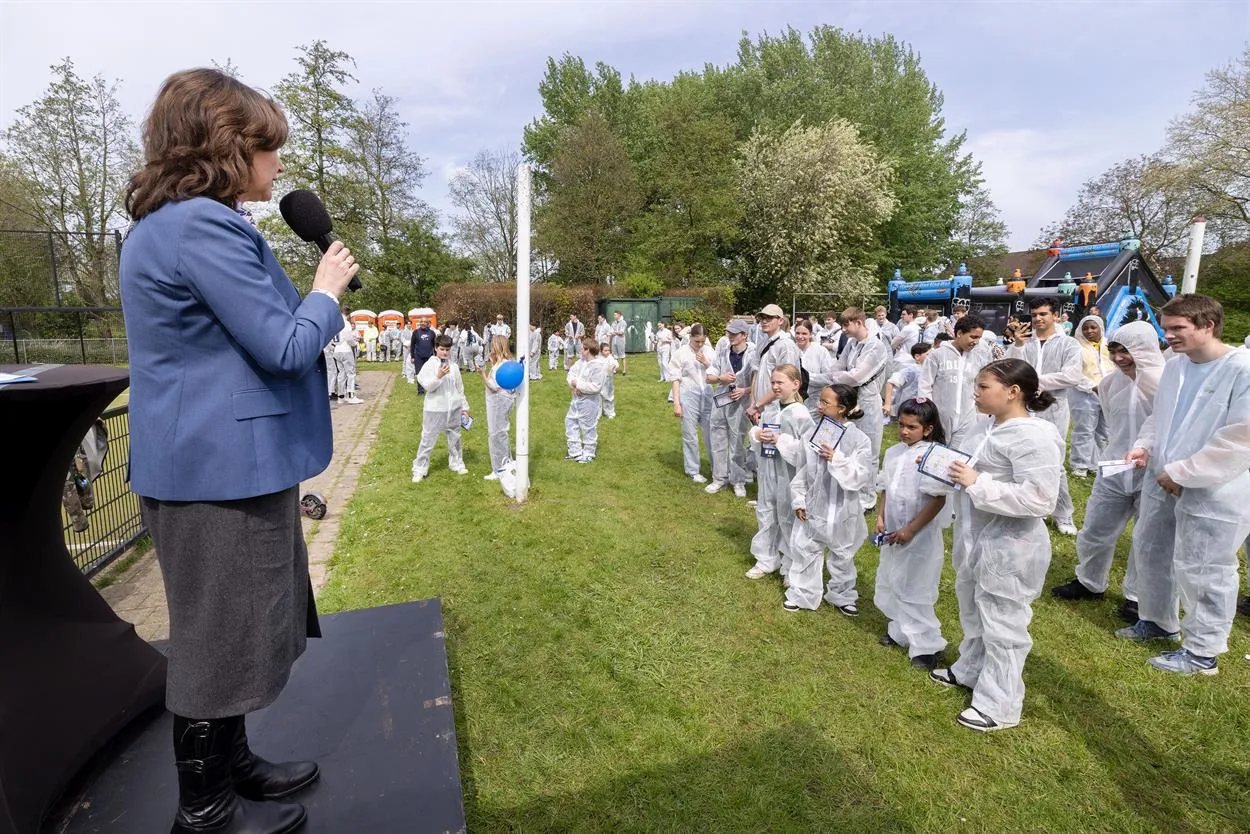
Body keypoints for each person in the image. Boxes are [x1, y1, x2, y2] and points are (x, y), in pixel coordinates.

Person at [120, 68, 358, 833]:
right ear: (227, 147)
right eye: (268, 148)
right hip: (214, 475)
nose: (279, 165)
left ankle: (234, 765)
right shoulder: (199, 227)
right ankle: (205, 811)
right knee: (217, 645)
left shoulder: (179, 224)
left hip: (221, 468)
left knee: (239, 631)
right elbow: (286, 346)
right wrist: (325, 291)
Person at [1116, 295, 1250, 677]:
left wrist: (1186, 471)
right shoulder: (1176, 366)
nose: (1168, 335)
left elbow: (1240, 437)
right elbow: (1161, 418)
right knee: (1152, 547)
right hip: (1164, 474)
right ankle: (1157, 619)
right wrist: (1144, 447)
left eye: (1178, 328)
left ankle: (1202, 651)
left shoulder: (1241, 369)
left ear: (1208, 325)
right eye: (1166, 327)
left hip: (1216, 486)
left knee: (1206, 565)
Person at [930, 359, 1063, 732]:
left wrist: (976, 483)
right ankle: (970, 669)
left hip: (1011, 545)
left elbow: (1040, 499)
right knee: (973, 606)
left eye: (984, 386)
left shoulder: (1033, 437)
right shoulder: (986, 427)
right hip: (976, 536)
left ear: (1013, 392)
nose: (976, 392)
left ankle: (1000, 703)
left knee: (1004, 621)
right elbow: (966, 466)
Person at [1051, 321, 1163, 617]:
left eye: (1125, 351)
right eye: (1114, 351)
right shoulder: (1112, 383)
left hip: (1153, 470)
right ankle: (1089, 581)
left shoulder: (1166, 382)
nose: (1119, 357)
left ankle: (1137, 596)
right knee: (1095, 528)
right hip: (1115, 464)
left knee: (1147, 537)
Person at [875, 397, 950, 669]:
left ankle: (927, 645)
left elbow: (937, 500)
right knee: (894, 579)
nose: (904, 431)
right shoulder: (894, 452)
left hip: (920, 532)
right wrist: (881, 515)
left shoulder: (934, 455)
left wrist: (911, 529)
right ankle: (901, 631)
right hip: (895, 529)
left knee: (917, 587)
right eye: (902, 425)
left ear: (927, 429)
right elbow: (885, 486)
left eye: (912, 427)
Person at [788, 384, 874, 613]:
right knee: (806, 548)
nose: (819, 406)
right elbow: (802, 471)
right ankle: (802, 593)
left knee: (843, 554)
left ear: (842, 408)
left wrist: (837, 459)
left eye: (826, 402)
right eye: (820, 401)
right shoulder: (813, 433)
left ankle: (842, 595)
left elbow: (860, 476)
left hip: (843, 508)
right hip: (815, 504)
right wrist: (799, 498)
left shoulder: (859, 439)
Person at [1005, 297, 1082, 535]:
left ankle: (1063, 514)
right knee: (1019, 458)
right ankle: (1028, 506)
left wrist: (1033, 382)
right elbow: (1009, 368)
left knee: (1054, 462)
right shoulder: (1024, 343)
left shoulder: (1068, 344)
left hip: (1054, 408)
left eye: (1044, 314)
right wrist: (1017, 345)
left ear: (1055, 316)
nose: (1038, 319)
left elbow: (1072, 375)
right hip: (1023, 408)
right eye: (1035, 314)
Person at [745, 364, 813, 580]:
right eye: (772, 382)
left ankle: (790, 564)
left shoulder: (801, 414)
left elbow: (807, 449)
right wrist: (758, 434)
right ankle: (766, 558)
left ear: (795, 385)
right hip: (768, 469)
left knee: (788, 518)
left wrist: (781, 441)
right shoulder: (772, 408)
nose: (775, 386)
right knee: (766, 512)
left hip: (788, 474)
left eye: (779, 382)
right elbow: (759, 430)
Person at [829, 307, 891, 478]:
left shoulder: (876, 346)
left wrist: (838, 376)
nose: (843, 329)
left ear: (859, 323)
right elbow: (837, 367)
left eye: (846, 325)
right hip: (849, 400)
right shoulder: (852, 344)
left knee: (868, 450)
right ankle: (850, 486)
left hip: (868, 403)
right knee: (849, 445)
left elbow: (856, 377)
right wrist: (839, 375)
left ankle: (867, 496)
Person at [918, 313, 991, 450]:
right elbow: (925, 385)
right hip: (939, 418)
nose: (976, 341)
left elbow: (982, 386)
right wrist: (927, 414)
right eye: (973, 337)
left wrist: (981, 416)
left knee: (959, 460)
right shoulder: (937, 355)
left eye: (979, 338)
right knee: (933, 457)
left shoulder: (978, 358)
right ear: (959, 333)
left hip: (967, 419)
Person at [411, 335, 471, 482]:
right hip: (435, 408)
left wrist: (464, 406)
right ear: (436, 349)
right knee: (428, 438)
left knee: (455, 437)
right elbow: (427, 387)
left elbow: (459, 388)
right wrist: (438, 377)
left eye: (447, 350)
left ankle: (456, 462)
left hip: (453, 408)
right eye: (442, 349)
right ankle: (420, 468)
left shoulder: (454, 367)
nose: (444, 352)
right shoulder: (429, 366)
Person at [705, 320, 753, 497]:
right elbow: (708, 376)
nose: (730, 336)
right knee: (717, 437)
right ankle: (719, 478)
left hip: (741, 402)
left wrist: (745, 390)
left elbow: (758, 380)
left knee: (738, 442)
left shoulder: (753, 353)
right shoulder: (723, 352)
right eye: (729, 333)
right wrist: (720, 378)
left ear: (744, 335)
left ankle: (738, 480)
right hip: (721, 401)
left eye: (734, 333)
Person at [670, 324, 716, 483]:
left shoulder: (710, 351)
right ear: (690, 338)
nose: (700, 344)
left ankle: (717, 468)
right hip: (688, 394)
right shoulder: (681, 353)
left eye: (702, 341)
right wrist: (677, 403)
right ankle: (692, 470)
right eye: (697, 341)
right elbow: (675, 378)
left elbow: (717, 373)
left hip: (707, 395)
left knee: (712, 434)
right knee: (690, 434)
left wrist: (706, 362)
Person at [744, 304, 802, 427]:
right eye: (762, 318)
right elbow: (756, 373)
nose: (764, 321)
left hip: (778, 408)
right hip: (759, 408)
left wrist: (757, 405)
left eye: (769, 318)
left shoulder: (786, 345)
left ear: (780, 320)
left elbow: (785, 382)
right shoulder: (762, 343)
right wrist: (754, 403)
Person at [1069, 315, 1111, 477]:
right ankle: (1080, 465)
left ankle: (1096, 463)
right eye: (1085, 328)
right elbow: (1073, 372)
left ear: (1101, 328)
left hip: (1108, 393)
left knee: (1103, 432)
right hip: (1084, 394)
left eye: (1093, 327)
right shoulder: (1075, 347)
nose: (1089, 331)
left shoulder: (1110, 345)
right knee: (1084, 430)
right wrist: (1092, 386)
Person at [480, 335, 517, 481]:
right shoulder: (505, 363)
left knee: (496, 434)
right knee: (501, 433)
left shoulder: (502, 366)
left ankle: (499, 469)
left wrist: (482, 375)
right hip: (502, 400)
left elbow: (494, 386)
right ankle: (506, 462)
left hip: (498, 401)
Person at [566, 336, 606, 462]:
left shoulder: (598, 366)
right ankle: (575, 451)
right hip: (576, 399)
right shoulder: (580, 362)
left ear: (588, 350)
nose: (580, 351)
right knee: (571, 422)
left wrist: (578, 384)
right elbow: (571, 374)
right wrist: (573, 385)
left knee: (588, 426)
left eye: (582, 349)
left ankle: (589, 452)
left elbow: (596, 387)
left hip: (589, 401)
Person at [794, 320, 834, 416]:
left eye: (804, 333)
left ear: (810, 334)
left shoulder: (820, 351)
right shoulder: (791, 350)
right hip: (794, 403)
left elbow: (829, 378)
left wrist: (806, 377)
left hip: (815, 405)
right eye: (797, 333)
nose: (800, 337)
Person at [883, 342, 931, 423]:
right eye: (928, 354)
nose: (931, 357)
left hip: (923, 409)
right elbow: (891, 382)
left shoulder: (930, 370)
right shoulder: (910, 370)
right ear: (917, 356)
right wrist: (887, 404)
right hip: (908, 408)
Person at [332, 305, 363, 404]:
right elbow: (349, 338)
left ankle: (341, 396)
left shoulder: (335, 323)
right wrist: (354, 344)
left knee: (341, 373)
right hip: (346, 349)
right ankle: (351, 395)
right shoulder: (346, 323)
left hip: (337, 349)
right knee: (351, 373)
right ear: (348, 314)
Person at [411, 315, 437, 394]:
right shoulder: (416, 332)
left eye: (425, 322)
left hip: (429, 356)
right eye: (421, 321)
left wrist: (436, 356)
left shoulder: (432, 333)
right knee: (419, 373)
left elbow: (434, 345)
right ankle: (420, 391)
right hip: (418, 356)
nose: (423, 323)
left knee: (430, 374)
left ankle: (430, 389)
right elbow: (412, 345)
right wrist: (412, 356)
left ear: (428, 323)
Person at [599, 342, 619, 419]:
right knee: (599, 396)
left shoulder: (610, 357)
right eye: (605, 350)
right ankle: (599, 413)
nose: (608, 352)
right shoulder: (598, 358)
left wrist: (612, 366)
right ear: (601, 351)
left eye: (608, 350)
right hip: (600, 380)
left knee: (609, 396)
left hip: (608, 380)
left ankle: (610, 412)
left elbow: (615, 363)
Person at [655, 321, 675, 394]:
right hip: (659, 348)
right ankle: (662, 377)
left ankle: (668, 377)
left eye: (660, 325)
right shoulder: (658, 332)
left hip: (666, 347)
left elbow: (671, 340)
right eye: (658, 326)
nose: (659, 326)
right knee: (660, 363)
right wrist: (654, 341)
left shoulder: (668, 332)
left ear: (663, 325)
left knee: (664, 362)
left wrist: (665, 340)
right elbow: (657, 340)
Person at [610, 310, 628, 375]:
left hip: (621, 341)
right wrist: (615, 332)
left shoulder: (623, 322)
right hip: (614, 341)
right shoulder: (613, 323)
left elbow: (621, 332)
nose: (614, 316)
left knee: (622, 356)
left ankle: (624, 370)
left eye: (615, 315)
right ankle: (614, 370)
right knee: (615, 356)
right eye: (614, 315)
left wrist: (615, 332)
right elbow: (611, 331)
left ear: (619, 315)